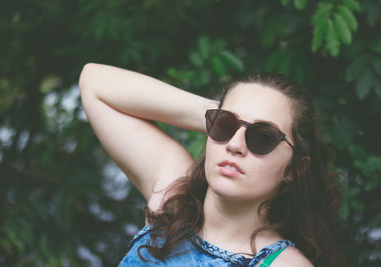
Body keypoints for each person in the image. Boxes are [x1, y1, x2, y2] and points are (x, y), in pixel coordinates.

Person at [78, 63, 344, 266]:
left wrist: (235, 118)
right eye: (225, 126)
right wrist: (217, 114)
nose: (234, 144)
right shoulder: (173, 199)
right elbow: (94, 81)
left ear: (294, 169)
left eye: (262, 137)